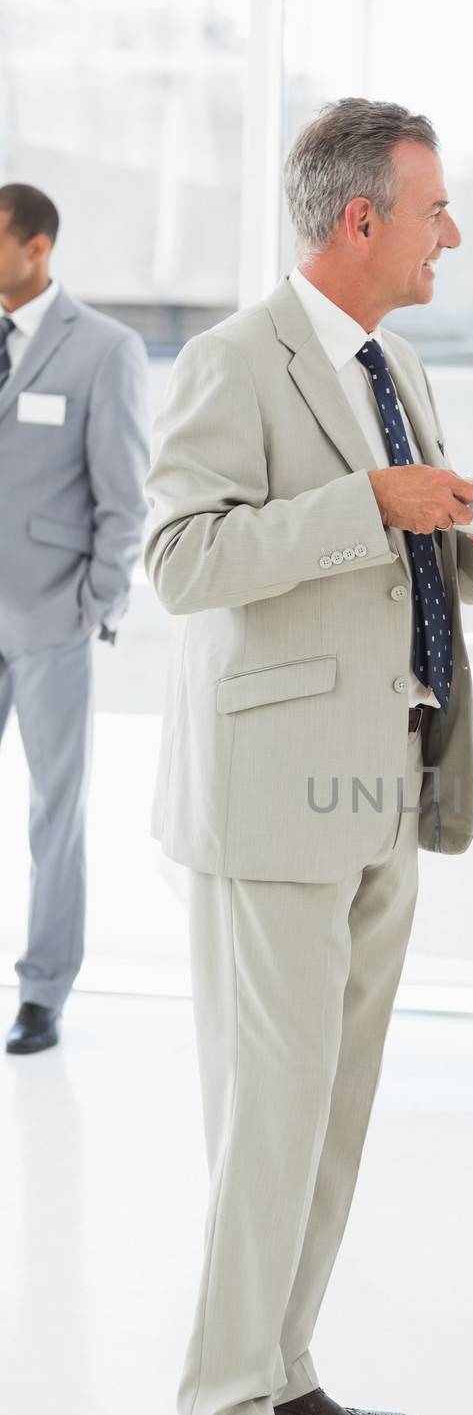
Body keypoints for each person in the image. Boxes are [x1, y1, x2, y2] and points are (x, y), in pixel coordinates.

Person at [144, 99, 473, 1415]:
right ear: (360, 218)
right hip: (269, 805)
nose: (452, 235)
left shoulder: (395, 364)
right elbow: (182, 562)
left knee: (332, 1111)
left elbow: (404, 554)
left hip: (387, 784)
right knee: (269, 1114)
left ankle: (281, 1367)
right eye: (435, 211)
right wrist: (370, 504)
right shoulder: (227, 361)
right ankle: (216, 1414)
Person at [0, 183, 148, 1056]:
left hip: (52, 619)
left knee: (57, 811)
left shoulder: (104, 349)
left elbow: (123, 498)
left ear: (38, 247)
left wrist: (94, 605)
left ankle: (43, 992)